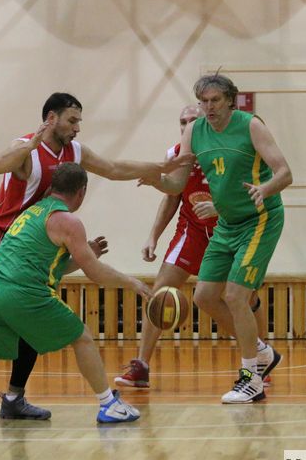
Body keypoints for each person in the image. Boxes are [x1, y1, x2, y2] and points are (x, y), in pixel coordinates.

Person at [0, 92, 190, 419]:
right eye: (72, 120)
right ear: (51, 118)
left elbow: (113, 168)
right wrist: (31, 144)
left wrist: (159, 167)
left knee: (29, 323)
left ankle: (14, 397)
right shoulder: (28, 148)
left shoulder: (74, 151)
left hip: (40, 239)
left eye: (79, 121)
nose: (77, 127)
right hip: (3, 236)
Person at [0, 163, 148, 428]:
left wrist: (86, 255)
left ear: (52, 187)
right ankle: (108, 404)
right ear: (81, 192)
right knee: (82, 336)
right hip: (22, 293)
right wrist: (131, 282)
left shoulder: (33, 211)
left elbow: (51, 266)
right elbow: (96, 273)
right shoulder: (68, 221)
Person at [145, 74, 292, 403]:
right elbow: (176, 184)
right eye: (203, 101)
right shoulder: (194, 132)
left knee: (236, 295)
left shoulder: (251, 125)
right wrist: (155, 179)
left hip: (260, 219)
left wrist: (264, 189)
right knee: (204, 296)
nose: (208, 107)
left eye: (214, 101)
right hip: (227, 222)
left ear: (230, 101)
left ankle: (251, 379)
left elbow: (285, 173)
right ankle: (262, 352)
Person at [115, 105, 269, 389]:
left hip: (231, 228)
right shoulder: (176, 155)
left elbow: (247, 192)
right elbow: (172, 195)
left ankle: (259, 360)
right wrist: (153, 235)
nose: (187, 126)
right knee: (160, 291)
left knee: (244, 298)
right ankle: (141, 366)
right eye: (182, 121)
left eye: (192, 120)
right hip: (193, 231)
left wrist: (221, 209)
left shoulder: (228, 149)